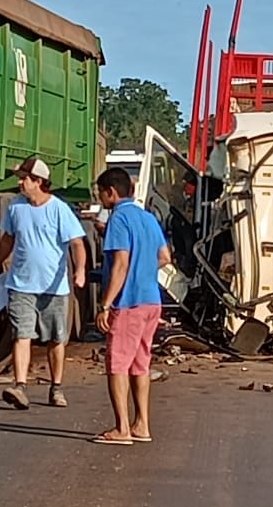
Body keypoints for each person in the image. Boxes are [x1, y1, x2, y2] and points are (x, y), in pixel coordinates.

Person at [0, 157, 87, 410]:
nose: (20, 182)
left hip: (54, 288)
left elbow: (77, 243)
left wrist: (80, 270)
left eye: (24, 178)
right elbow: (7, 241)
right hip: (21, 285)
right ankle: (20, 386)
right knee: (22, 335)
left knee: (56, 340)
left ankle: (56, 387)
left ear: (38, 181)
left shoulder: (59, 209)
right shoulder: (16, 208)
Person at [92, 167, 171, 446]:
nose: (99, 197)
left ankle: (122, 428)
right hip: (152, 301)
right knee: (141, 363)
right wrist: (144, 267)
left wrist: (106, 304)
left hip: (129, 302)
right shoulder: (148, 218)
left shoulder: (119, 219)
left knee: (117, 365)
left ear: (111, 192)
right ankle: (142, 425)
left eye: (100, 192)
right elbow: (165, 257)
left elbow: (121, 264)